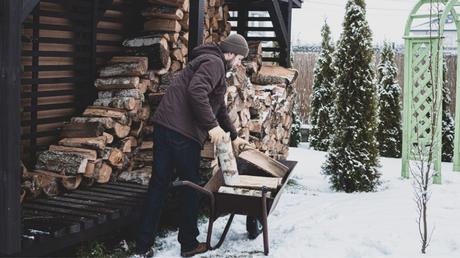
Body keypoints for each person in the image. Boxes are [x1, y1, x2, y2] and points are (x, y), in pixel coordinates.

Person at [134, 34, 250, 257]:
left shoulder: (208, 60)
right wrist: (211, 127)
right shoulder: (215, 63)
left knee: (159, 184)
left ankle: (143, 245)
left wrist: (233, 136)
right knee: (191, 187)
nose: (239, 63)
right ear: (230, 53)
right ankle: (188, 244)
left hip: (164, 126)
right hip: (182, 133)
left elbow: (219, 109)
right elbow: (196, 92)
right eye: (239, 58)